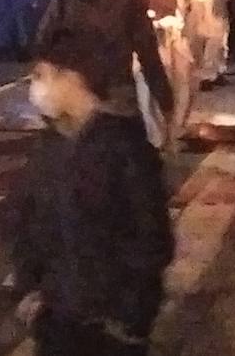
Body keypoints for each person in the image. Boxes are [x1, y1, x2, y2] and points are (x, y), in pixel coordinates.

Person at [13, 58, 174, 355]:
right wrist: (29, 292)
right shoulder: (48, 147)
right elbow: (29, 224)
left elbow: (153, 240)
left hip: (110, 327)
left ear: (74, 77)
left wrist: (128, 317)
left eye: (42, 75)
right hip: (56, 320)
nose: (35, 87)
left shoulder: (125, 147)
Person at [35, 0, 175, 131]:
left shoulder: (129, 3)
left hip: (117, 100)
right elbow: (44, 42)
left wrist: (165, 100)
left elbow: (149, 55)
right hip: (75, 99)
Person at [169, 0, 229, 90]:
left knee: (193, 46)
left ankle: (193, 75)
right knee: (210, 45)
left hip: (190, 13)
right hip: (201, 11)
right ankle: (205, 76)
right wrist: (209, 18)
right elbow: (207, 0)